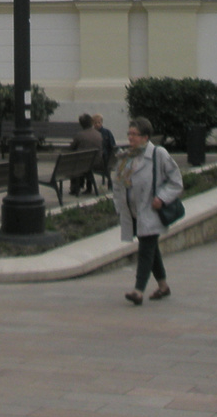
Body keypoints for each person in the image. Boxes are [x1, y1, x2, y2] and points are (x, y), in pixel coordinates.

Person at [114, 117, 183, 306]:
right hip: (133, 212)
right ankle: (163, 286)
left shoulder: (158, 154)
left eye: (134, 134)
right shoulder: (127, 157)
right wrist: (119, 206)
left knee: (146, 248)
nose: (130, 138)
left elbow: (176, 181)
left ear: (145, 137)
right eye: (129, 133)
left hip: (151, 210)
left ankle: (138, 290)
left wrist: (162, 198)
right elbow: (119, 185)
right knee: (151, 248)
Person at [68, 113, 104, 196]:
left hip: (84, 164)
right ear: (91, 122)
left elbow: (71, 149)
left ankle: (75, 188)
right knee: (84, 162)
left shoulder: (79, 135)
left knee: (75, 163)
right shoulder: (99, 134)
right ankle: (86, 186)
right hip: (97, 162)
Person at [92, 114, 118, 188]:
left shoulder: (106, 132)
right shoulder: (94, 133)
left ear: (102, 123)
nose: (97, 124)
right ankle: (108, 179)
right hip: (101, 158)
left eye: (99, 122)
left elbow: (113, 145)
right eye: (95, 123)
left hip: (105, 159)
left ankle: (108, 179)